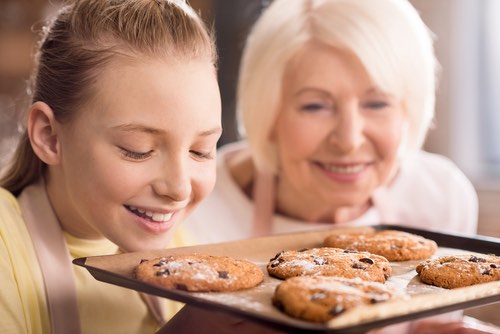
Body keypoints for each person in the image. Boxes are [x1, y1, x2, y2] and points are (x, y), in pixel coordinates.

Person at [178, 0, 498, 333]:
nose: (348, 139)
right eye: (315, 105)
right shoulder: (195, 204)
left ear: (409, 109)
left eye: (376, 103)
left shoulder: (440, 195)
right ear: (268, 112)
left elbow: (428, 323)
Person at [0, 0, 221, 333]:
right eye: (138, 150)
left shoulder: (178, 248)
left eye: (200, 151)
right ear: (49, 136)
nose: (179, 188)